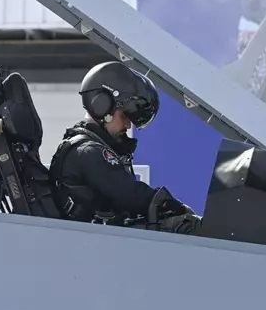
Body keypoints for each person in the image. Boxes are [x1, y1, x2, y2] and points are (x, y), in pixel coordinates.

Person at [50, 61, 198, 234]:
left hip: (94, 238)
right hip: (91, 241)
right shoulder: (88, 152)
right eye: (125, 116)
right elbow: (129, 195)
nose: (128, 125)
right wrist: (171, 205)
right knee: (188, 228)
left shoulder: (86, 148)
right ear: (102, 106)